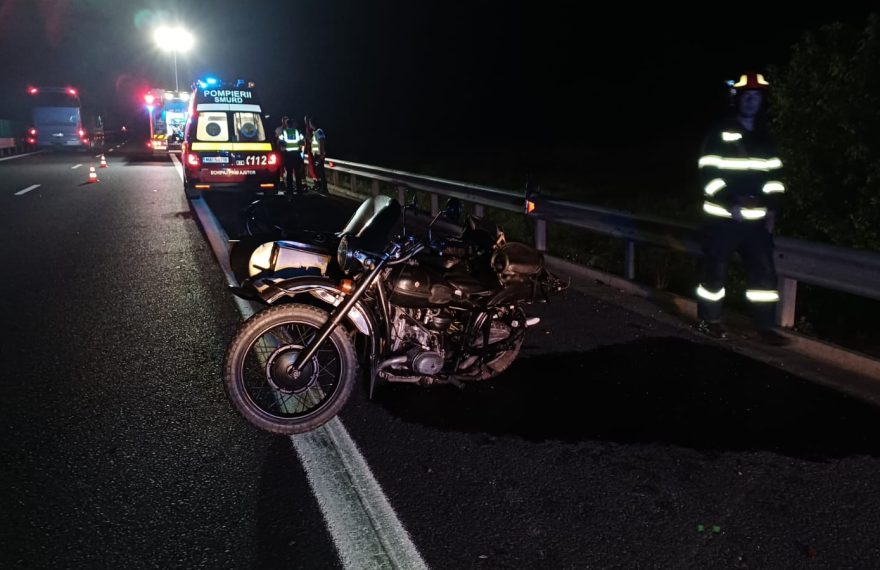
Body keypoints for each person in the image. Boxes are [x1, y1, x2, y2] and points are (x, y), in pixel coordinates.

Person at [694, 71, 790, 346]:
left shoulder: (764, 137)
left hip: (756, 222)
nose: (751, 101)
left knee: (764, 275)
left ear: (762, 101)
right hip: (723, 219)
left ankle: (764, 327)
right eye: (746, 96)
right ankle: (709, 320)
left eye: (756, 97)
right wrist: (731, 203)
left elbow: (774, 178)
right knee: (716, 271)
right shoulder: (720, 132)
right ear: (738, 99)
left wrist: (772, 209)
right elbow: (708, 174)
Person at [279, 118, 304, 193]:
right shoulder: (297, 131)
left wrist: (282, 150)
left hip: (288, 155)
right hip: (296, 154)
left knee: (289, 173)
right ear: (292, 124)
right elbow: (302, 141)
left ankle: (290, 189)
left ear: (286, 124)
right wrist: (300, 149)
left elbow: (280, 142)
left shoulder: (284, 132)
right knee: (297, 173)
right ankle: (299, 189)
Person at [304, 115, 327, 193]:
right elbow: (313, 142)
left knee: (321, 173)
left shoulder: (319, 131)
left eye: (310, 123)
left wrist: (322, 154)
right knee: (319, 172)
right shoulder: (315, 132)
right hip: (316, 155)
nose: (309, 125)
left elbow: (322, 141)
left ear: (313, 124)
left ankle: (324, 189)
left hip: (319, 155)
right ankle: (322, 188)